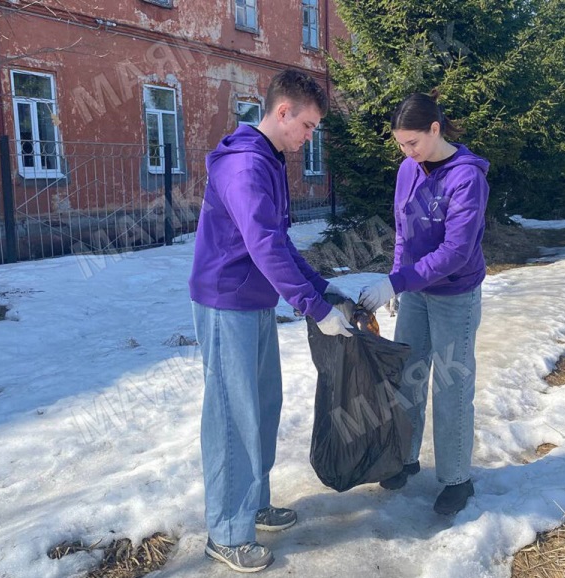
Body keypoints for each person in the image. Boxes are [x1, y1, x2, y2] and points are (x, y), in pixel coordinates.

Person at [189, 68, 353, 573]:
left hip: (253, 301)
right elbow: (264, 248)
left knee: (262, 406)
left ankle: (253, 504)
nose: (309, 137)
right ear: (283, 112)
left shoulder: (268, 160)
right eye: (307, 126)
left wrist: (323, 289)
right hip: (226, 303)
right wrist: (314, 309)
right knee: (232, 415)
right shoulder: (245, 167)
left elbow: (280, 244)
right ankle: (227, 532)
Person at [359, 92, 489, 516]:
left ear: (436, 129)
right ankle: (405, 457)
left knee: (451, 386)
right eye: (400, 144)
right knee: (408, 375)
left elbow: (456, 251)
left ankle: (457, 479)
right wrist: (397, 281)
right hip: (416, 291)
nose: (407, 152)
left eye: (412, 142)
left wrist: (398, 280)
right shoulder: (407, 170)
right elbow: (404, 231)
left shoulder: (466, 178)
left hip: (456, 295)